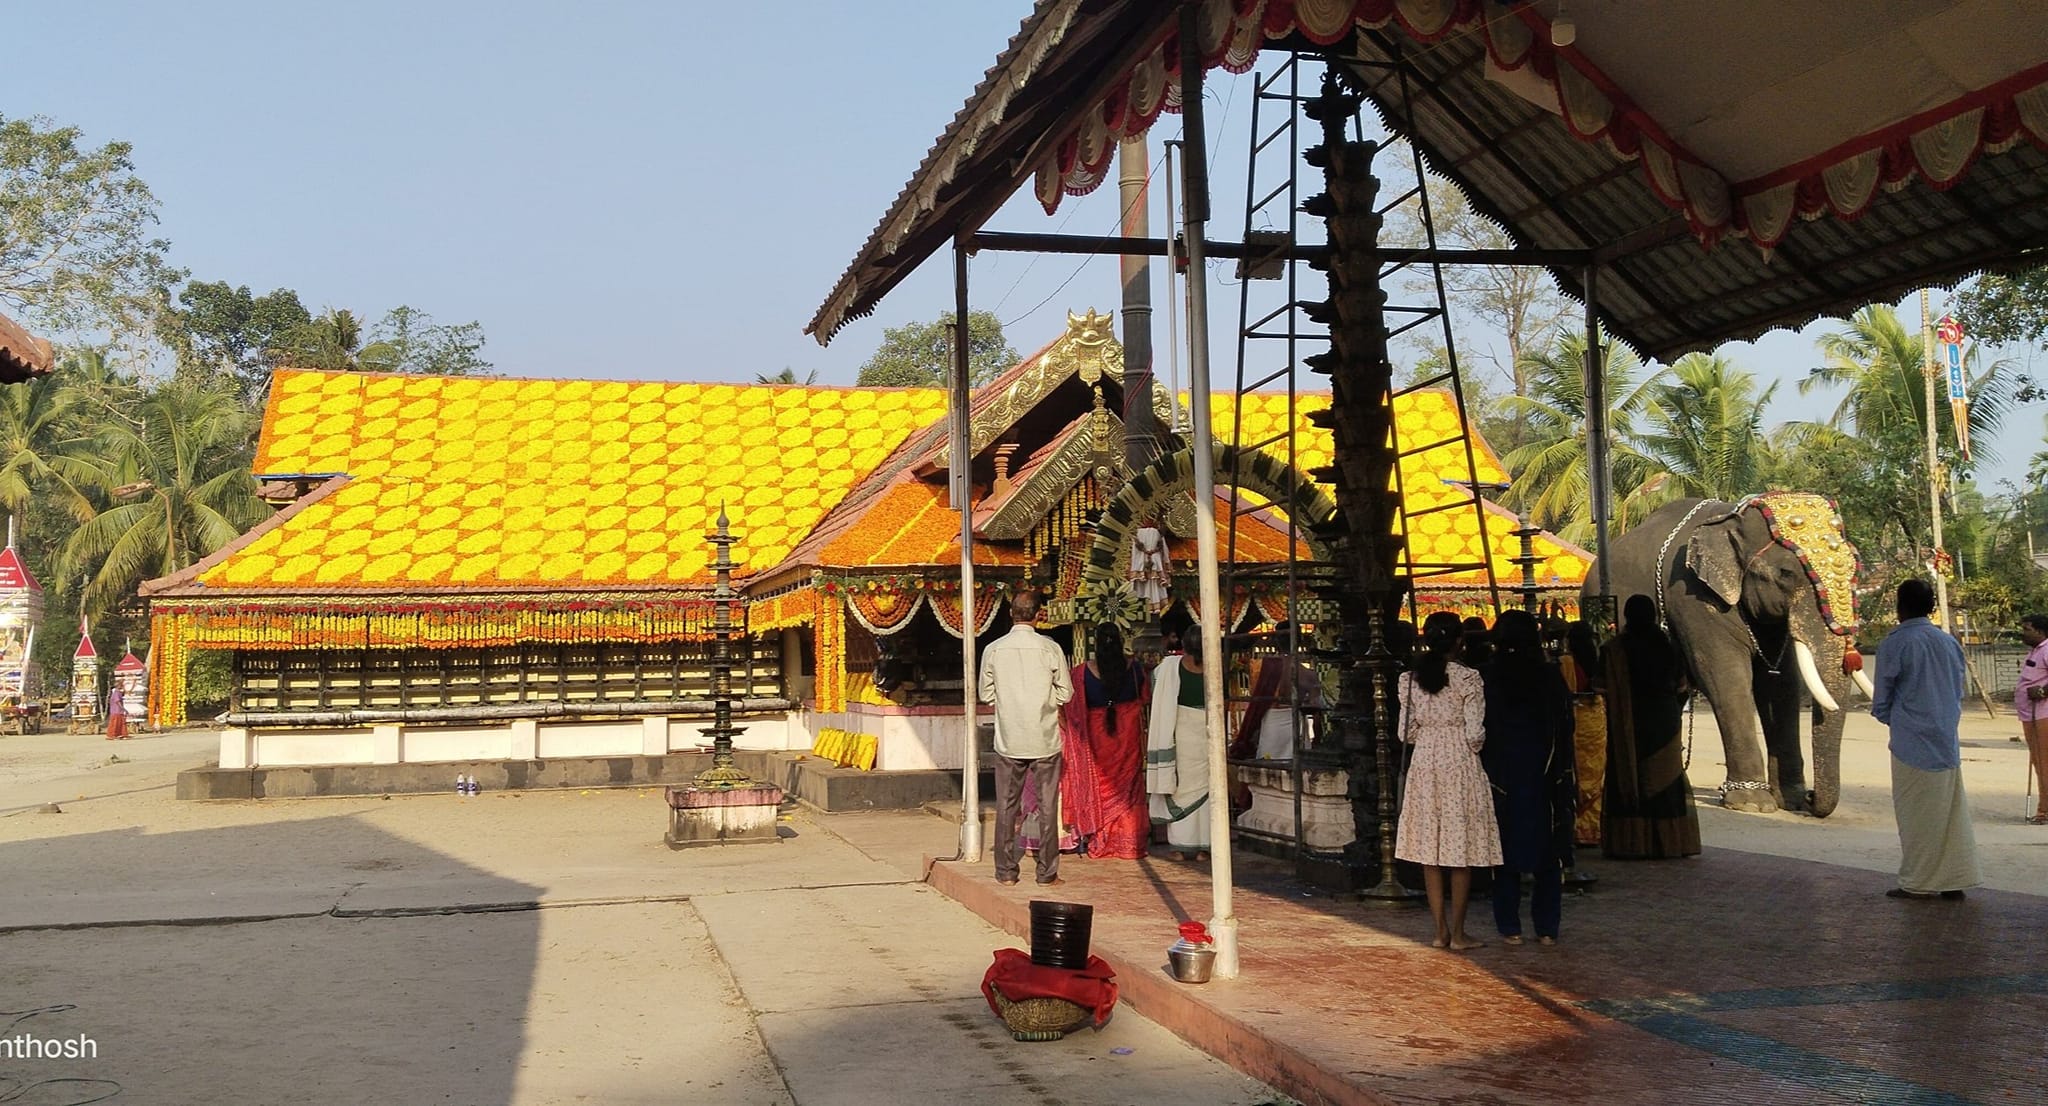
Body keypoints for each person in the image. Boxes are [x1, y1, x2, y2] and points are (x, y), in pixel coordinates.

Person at [1394, 611, 1501, 951]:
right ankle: (1458, 933)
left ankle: (1438, 931)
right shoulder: (1469, 679)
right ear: (1459, 642)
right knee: (1460, 850)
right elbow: (1475, 734)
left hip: (1425, 761)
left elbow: (1405, 733)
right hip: (1459, 761)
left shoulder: (1408, 680)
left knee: (1430, 851)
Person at [1871, 580, 1981, 899]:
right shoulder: (1948, 642)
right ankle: (1955, 878)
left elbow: (1882, 701)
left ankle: (1919, 881)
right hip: (1946, 739)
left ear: (1899, 606)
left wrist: (1899, 719)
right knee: (1950, 814)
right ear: (1932, 606)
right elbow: (1958, 690)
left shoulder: (1896, 642)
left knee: (1916, 815)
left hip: (1911, 743)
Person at [1480, 610, 1576, 945]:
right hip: (1545, 772)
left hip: (1501, 773)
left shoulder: (1488, 676)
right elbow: (1566, 723)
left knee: (1503, 850)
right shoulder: (1549, 675)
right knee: (1548, 851)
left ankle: (1510, 928)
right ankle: (1547, 928)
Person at [978, 591, 1074, 886]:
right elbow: (1066, 693)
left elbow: (985, 694)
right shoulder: (1049, 648)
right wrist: (1045, 704)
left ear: (1011, 613)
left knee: (1006, 806)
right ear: (1037, 615)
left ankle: (1006, 872)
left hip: (1009, 738)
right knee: (1047, 807)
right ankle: (1047, 873)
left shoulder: (994, 649)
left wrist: (1010, 704)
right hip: (1043, 738)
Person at [1599, 595, 1700, 859]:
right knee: (1664, 780)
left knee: (1630, 776)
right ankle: (1668, 843)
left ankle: (1631, 843)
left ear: (1627, 616)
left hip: (1628, 722)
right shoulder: (1668, 648)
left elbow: (1599, 687)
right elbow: (1682, 687)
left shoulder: (1614, 650)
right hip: (1663, 721)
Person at [1057, 623, 1152, 859]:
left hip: (1095, 739)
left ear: (1095, 644)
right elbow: (1146, 699)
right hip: (1128, 736)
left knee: (1099, 788)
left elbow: (1065, 708)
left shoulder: (1080, 674)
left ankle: (1101, 841)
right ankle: (1130, 845)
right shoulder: (1136, 669)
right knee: (1128, 790)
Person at [1146, 625, 1212, 860]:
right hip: (1206, 734)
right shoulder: (1215, 668)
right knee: (1206, 788)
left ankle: (1179, 847)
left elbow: (1154, 684)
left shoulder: (1169, 668)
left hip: (1181, 734)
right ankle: (1205, 847)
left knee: (1181, 787)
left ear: (1184, 645)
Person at [1229, 623, 1324, 762]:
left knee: (1268, 772)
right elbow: (1316, 711)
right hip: (1295, 726)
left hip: (1272, 726)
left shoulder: (1263, 667)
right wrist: (1317, 740)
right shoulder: (1308, 674)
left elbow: (1256, 705)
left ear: (1276, 640)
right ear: (1300, 640)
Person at [1559, 620, 1608, 847]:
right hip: (1595, 720)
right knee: (1595, 772)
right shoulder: (1596, 661)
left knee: (1575, 770)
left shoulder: (1564, 662)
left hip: (1574, 719)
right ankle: (1591, 828)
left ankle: (1574, 826)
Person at [2014, 613, 2048, 825]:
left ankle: (2045, 810)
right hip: (2031, 714)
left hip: (2043, 713)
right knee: (2039, 761)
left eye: (2027, 629)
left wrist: (2043, 691)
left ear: (2040, 631)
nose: (2023, 633)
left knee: (2045, 762)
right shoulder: (2036, 651)